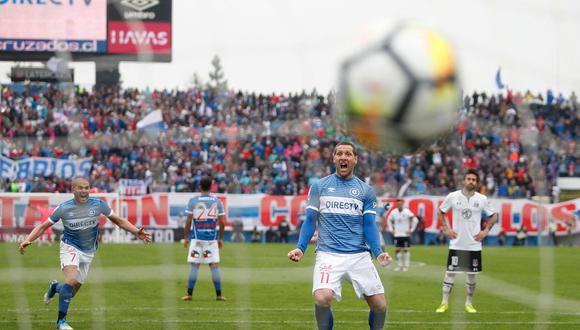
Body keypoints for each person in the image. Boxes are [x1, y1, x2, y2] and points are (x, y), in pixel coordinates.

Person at [19, 178, 152, 330]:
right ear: (73, 189)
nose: (84, 191)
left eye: (87, 188)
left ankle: (55, 287)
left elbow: (119, 220)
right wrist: (27, 240)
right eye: (80, 188)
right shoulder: (63, 208)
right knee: (70, 281)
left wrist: (136, 231)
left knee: (70, 293)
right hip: (70, 247)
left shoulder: (98, 204)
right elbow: (43, 226)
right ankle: (61, 322)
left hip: (88, 252)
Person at [287, 141, 392, 330]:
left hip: (359, 255)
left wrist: (378, 252)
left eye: (348, 154)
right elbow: (310, 220)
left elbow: (369, 225)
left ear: (355, 159)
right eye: (340, 154)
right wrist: (301, 247)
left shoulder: (366, 191)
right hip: (329, 254)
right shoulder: (319, 187)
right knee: (322, 298)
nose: (344, 157)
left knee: (380, 305)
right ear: (334, 158)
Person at [435, 169, 497, 314]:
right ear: (464, 180)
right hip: (457, 243)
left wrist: (485, 231)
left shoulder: (482, 199)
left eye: (474, 179)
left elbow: (494, 216)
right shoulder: (452, 196)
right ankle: (444, 303)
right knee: (450, 273)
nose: (471, 181)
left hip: (474, 245)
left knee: (471, 276)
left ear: (477, 182)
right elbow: (440, 212)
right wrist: (446, 229)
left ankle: (468, 303)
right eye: (468, 179)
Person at [181, 175, 227, 302]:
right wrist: (220, 238)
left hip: (197, 239)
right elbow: (222, 222)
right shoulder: (217, 202)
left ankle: (189, 294)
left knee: (195, 266)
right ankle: (218, 295)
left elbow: (188, 221)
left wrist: (185, 238)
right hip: (211, 240)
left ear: (200, 186)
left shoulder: (193, 201)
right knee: (214, 266)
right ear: (211, 186)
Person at [386, 198, 418, 271]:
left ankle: (406, 266)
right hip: (397, 234)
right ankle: (399, 266)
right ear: (396, 204)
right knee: (397, 250)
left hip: (405, 235)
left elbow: (415, 220)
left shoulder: (407, 212)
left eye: (400, 203)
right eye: (398, 203)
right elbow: (388, 220)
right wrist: (391, 229)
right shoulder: (394, 212)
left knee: (406, 250)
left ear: (402, 204)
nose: (399, 204)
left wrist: (411, 229)